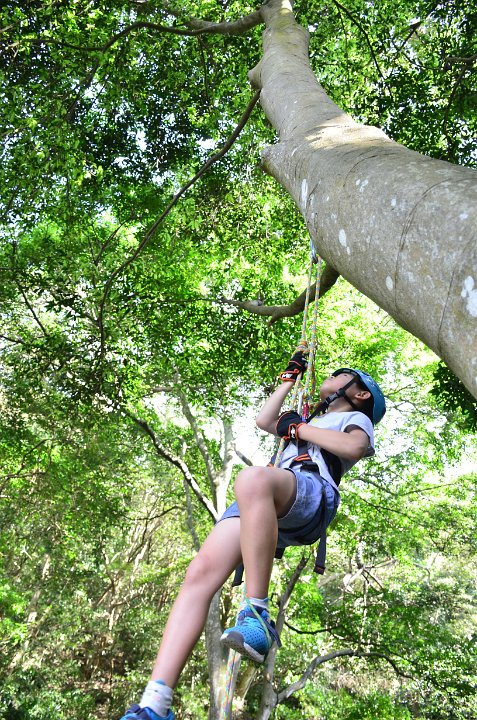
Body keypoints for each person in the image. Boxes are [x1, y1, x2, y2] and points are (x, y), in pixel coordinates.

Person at [121, 352, 386, 720]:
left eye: (342, 374)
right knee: (199, 573)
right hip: (266, 498)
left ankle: (257, 615)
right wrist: (289, 380)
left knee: (252, 478)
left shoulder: (354, 418)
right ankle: (155, 702)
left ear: (359, 394)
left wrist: (298, 429)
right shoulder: (311, 417)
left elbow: (355, 447)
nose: (332, 374)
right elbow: (264, 421)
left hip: (311, 492)